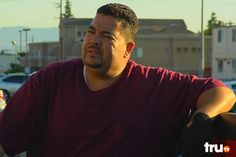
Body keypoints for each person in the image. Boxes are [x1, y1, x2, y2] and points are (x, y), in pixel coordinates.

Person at [0, 3, 235, 157]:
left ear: (128, 49)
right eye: (91, 32)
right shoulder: (49, 81)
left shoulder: (156, 85)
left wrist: (202, 118)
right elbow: (6, 136)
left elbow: (221, 91)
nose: (93, 40)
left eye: (106, 36)